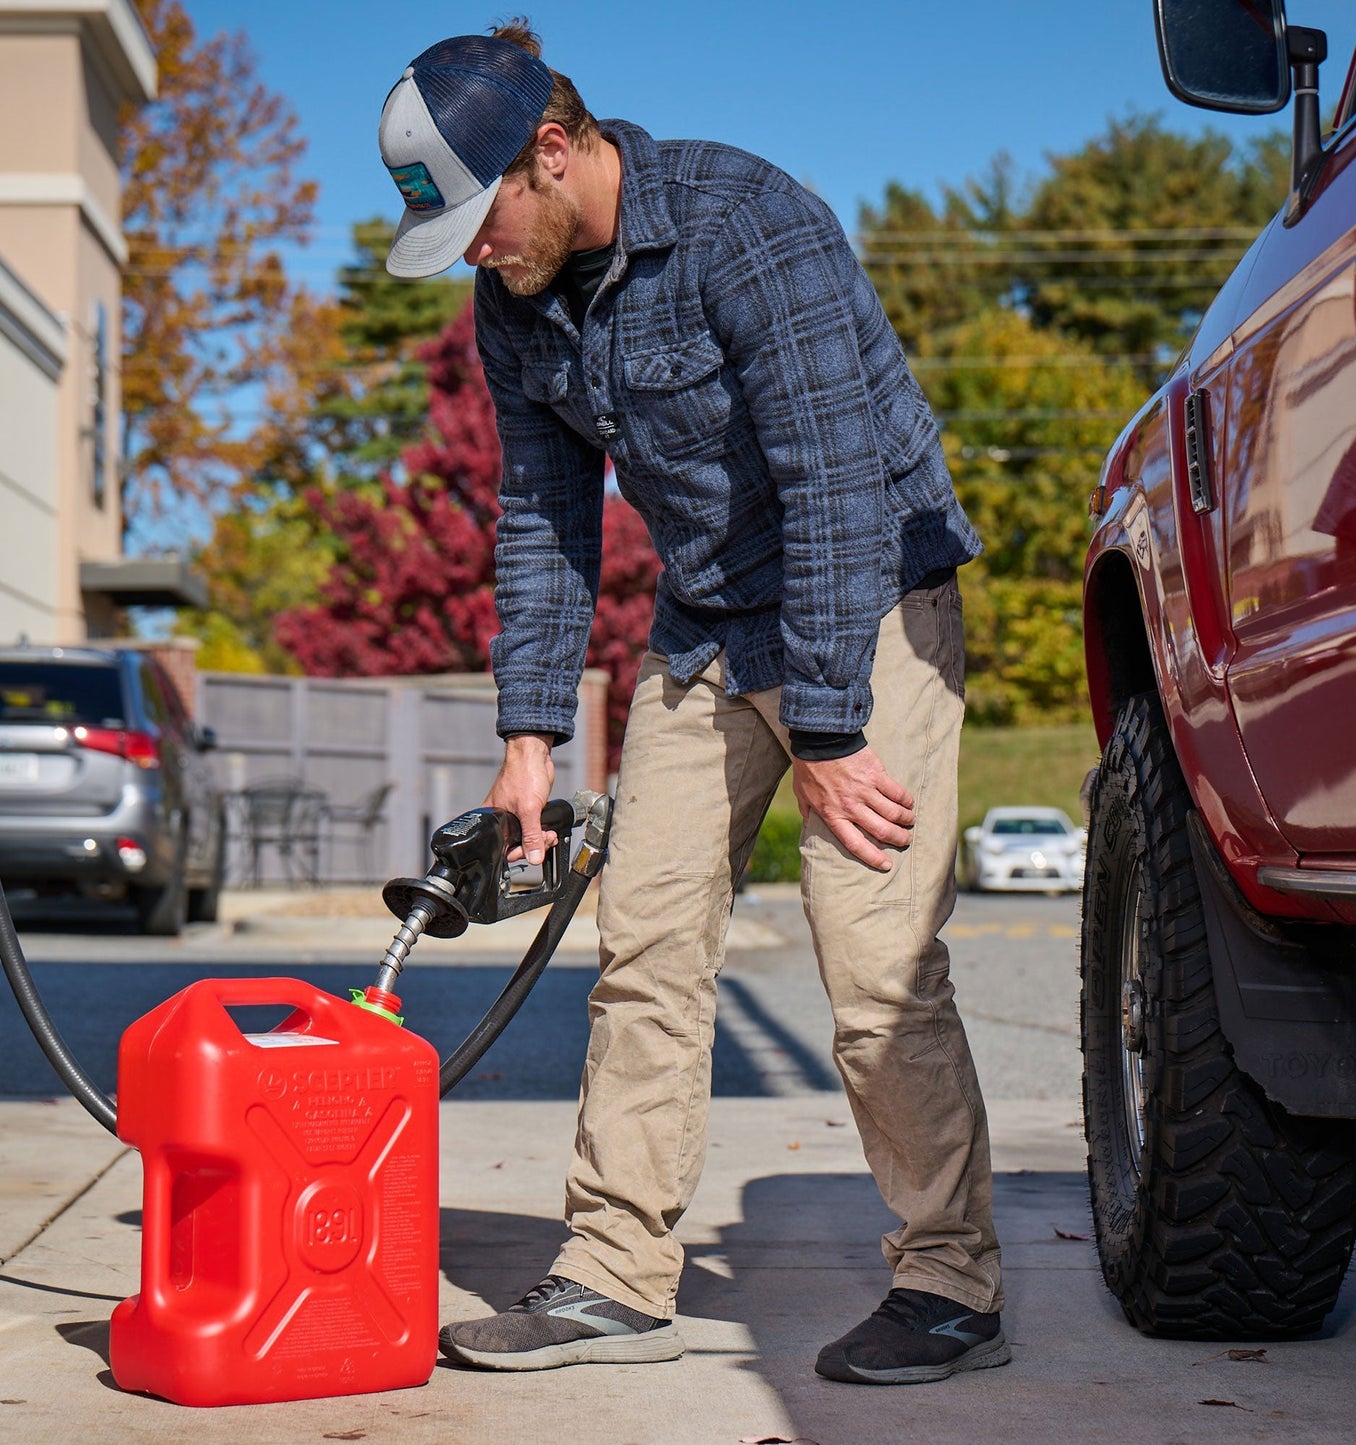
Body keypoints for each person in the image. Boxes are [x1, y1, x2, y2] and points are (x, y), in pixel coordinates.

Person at [378, 22, 1007, 1386]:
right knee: (644, 937)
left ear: (551, 152)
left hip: (869, 604)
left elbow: (837, 488)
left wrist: (829, 727)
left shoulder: (746, 222)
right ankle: (612, 1273)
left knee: (873, 965)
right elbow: (544, 516)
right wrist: (527, 745)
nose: (474, 254)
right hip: (709, 619)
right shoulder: (516, 295)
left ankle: (950, 1278)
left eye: (479, 219)